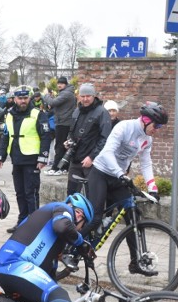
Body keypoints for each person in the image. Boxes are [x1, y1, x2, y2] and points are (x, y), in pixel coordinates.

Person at [80, 102, 168, 276]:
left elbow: (145, 162)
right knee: (96, 217)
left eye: (160, 126)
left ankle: (135, 263)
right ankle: (71, 246)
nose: (157, 129)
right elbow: (106, 152)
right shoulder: (124, 127)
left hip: (118, 178)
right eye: (156, 125)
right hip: (101, 172)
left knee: (133, 215)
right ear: (145, 119)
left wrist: (152, 187)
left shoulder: (146, 139)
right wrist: (121, 174)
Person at [0, 85, 52, 234]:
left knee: (31, 192)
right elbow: (6, 136)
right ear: (14, 99)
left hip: (32, 159)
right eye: (20, 98)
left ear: (29, 98)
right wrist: (1, 155)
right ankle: (22, 221)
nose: (22, 101)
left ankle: (34, 224)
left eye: (25, 98)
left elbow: (46, 136)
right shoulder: (10, 114)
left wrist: (43, 157)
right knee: (20, 192)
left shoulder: (37, 114)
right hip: (17, 158)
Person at [63, 83, 111, 195]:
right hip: (75, 160)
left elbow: (105, 138)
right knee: (72, 195)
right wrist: (68, 141)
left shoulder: (102, 112)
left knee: (92, 197)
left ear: (94, 96)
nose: (85, 99)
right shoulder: (77, 111)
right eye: (82, 96)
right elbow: (71, 132)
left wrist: (92, 157)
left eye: (88, 96)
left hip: (92, 163)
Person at [43, 77, 77, 175]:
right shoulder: (66, 93)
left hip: (63, 122)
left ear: (66, 84)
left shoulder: (66, 93)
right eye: (58, 83)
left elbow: (53, 102)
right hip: (63, 121)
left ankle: (56, 168)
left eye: (61, 83)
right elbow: (57, 105)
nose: (59, 85)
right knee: (64, 145)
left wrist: (46, 95)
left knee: (59, 146)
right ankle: (63, 168)